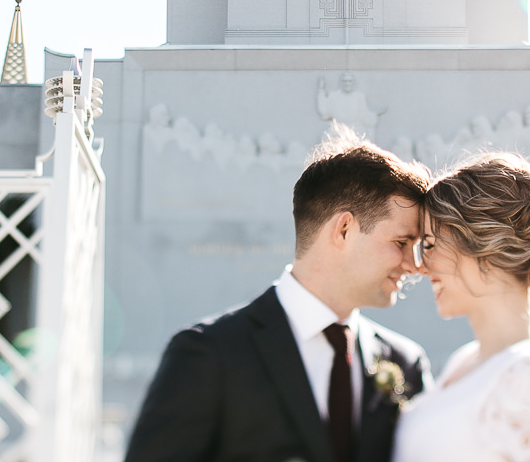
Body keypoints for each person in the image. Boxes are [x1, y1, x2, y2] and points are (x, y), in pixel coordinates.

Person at [126, 131, 435, 462]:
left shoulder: (405, 363)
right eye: (402, 242)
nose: (415, 266)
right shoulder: (208, 355)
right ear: (344, 230)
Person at [394, 152, 530, 462]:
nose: (420, 267)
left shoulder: (528, 378)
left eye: (430, 244)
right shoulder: (464, 360)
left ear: (483, 245)